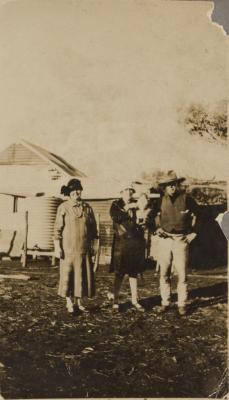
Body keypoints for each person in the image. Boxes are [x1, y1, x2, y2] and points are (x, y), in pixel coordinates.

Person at [156, 171, 198, 316]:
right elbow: (149, 217)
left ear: (177, 185)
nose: (172, 188)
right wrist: (156, 229)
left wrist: (194, 232)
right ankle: (165, 302)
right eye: (169, 185)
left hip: (181, 240)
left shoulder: (187, 199)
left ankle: (181, 304)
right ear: (165, 188)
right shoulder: (159, 200)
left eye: (174, 184)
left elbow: (203, 215)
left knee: (182, 273)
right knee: (164, 273)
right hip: (165, 240)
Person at [54, 179, 97, 313]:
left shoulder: (87, 207)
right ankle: (69, 303)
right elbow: (57, 229)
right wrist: (57, 247)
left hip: (83, 249)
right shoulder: (63, 207)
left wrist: (94, 245)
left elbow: (93, 230)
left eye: (78, 189)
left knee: (81, 276)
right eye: (73, 190)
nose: (76, 192)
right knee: (68, 275)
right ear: (69, 192)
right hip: (68, 249)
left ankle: (78, 302)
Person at [109, 184, 146, 312]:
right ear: (121, 192)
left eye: (131, 191)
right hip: (121, 243)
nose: (129, 193)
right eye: (126, 191)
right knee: (119, 273)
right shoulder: (115, 205)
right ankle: (115, 301)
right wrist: (127, 207)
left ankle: (135, 300)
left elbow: (142, 218)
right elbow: (116, 217)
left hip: (135, 243)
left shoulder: (136, 205)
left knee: (133, 273)